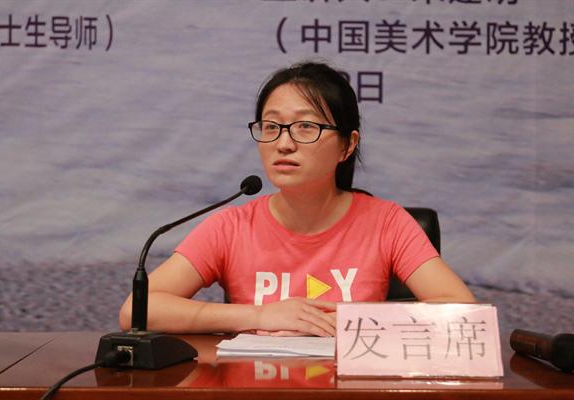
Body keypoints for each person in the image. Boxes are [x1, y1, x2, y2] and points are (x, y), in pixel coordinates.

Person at [119, 61, 475, 337]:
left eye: (306, 127)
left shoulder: (386, 223)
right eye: (272, 127)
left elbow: (462, 310)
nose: (284, 143)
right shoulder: (231, 226)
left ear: (348, 145)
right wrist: (259, 316)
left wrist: (352, 318)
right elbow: (136, 310)